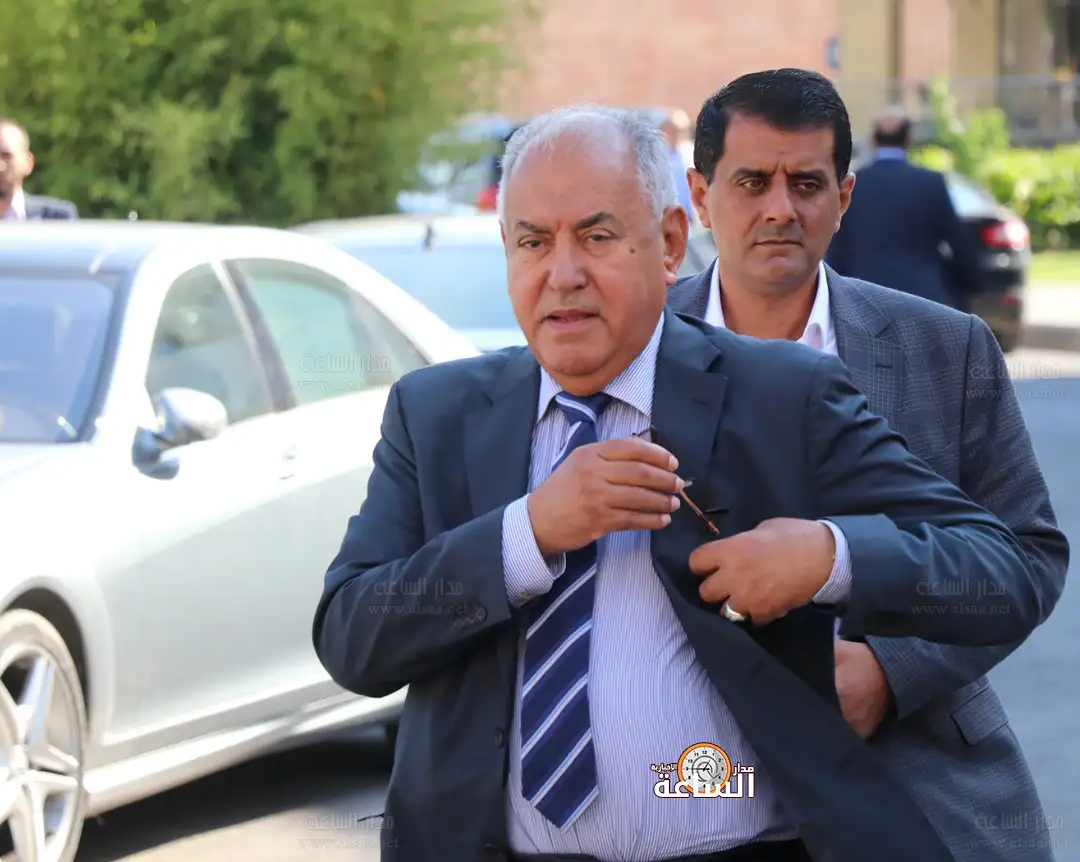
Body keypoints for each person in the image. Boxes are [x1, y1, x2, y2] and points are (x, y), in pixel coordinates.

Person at [312, 103, 1052, 862]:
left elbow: (1003, 570)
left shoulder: (782, 396)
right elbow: (352, 640)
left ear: (669, 244)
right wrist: (527, 534)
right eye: (533, 242)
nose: (562, 274)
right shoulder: (436, 414)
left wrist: (828, 559)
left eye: (597, 236)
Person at [671, 68, 1068, 862]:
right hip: (690, 783)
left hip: (915, 779)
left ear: (843, 197)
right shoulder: (636, 352)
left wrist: (890, 672)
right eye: (751, 182)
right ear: (700, 195)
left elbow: (1027, 558)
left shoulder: (946, 349)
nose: (780, 208)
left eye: (806, 183)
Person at [824, 106, 978, 309]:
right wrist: (970, 285)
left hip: (863, 299)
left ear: (873, 140)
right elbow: (958, 242)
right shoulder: (930, 183)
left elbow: (836, 246)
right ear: (908, 139)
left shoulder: (853, 185)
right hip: (922, 299)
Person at [658, 108, 695, 217]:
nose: (678, 134)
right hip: (666, 216)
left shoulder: (690, 154)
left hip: (690, 217)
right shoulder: (658, 154)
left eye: (683, 131)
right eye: (673, 130)